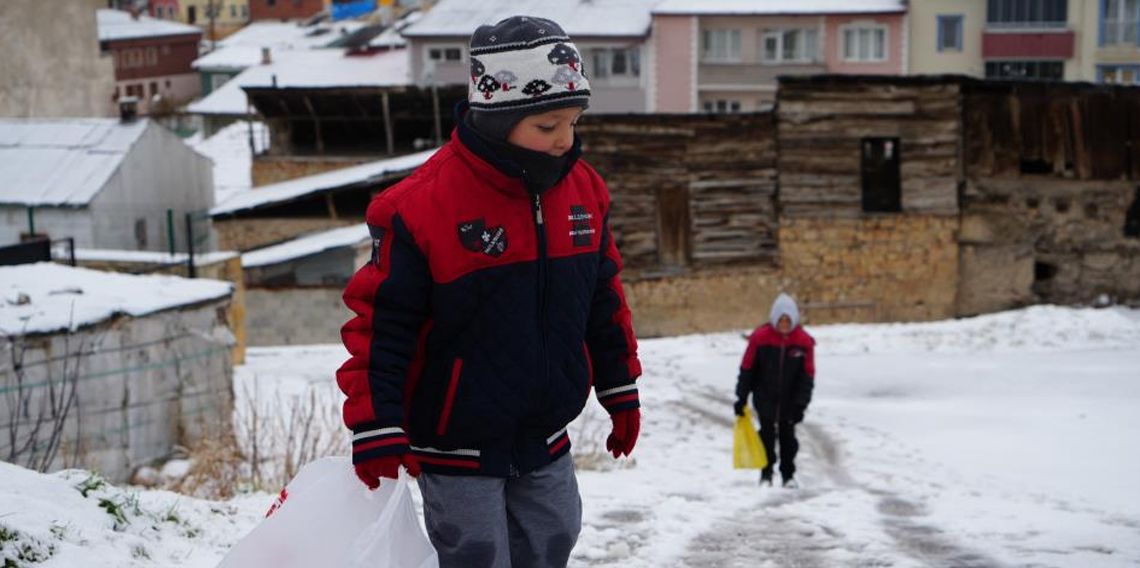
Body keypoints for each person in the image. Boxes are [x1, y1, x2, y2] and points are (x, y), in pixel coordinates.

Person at [336, 15, 642, 568]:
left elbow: (602, 299)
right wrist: (377, 423)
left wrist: (619, 386)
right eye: (547, 126)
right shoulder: (419, 207)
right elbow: (382, 326)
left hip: (545, 429)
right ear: (498, 117)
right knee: (476, 554)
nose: (564, 140)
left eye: (572, 122)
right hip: (456, 435)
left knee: (555, 537)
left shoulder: (583, 191)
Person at [733, 293, 815, 488]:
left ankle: (788, 475)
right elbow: (747, 369)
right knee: (766, 436)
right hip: (765, 397)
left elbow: (808, 376)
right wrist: (741, 397)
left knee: (788, 438)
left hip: (790, 400)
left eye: (788, 320)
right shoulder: (760, 338)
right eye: (781, 320)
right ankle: (766, 473)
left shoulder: (803, 342)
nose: (784, 324)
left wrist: (801, 404)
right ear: (774, 319)